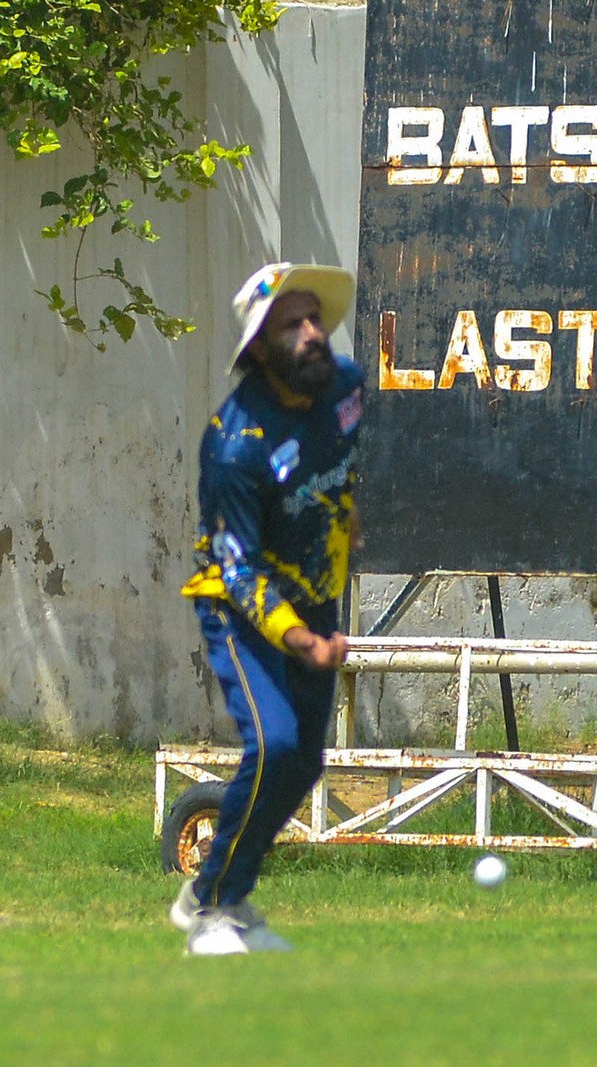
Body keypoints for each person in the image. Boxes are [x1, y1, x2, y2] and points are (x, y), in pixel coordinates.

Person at [170, 262, 364, 955]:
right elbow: (240, 568)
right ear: (258, 348)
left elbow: (342, 460)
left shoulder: (346, 386)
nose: (313, 333)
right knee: (274, 743)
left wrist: (347, 516)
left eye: (314, 318)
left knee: (303, 762)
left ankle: (221, 893)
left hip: (316, 598)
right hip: (241, 609)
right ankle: (211, 909)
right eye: (292, 325)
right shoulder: (234, 443)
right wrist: (302, 640)